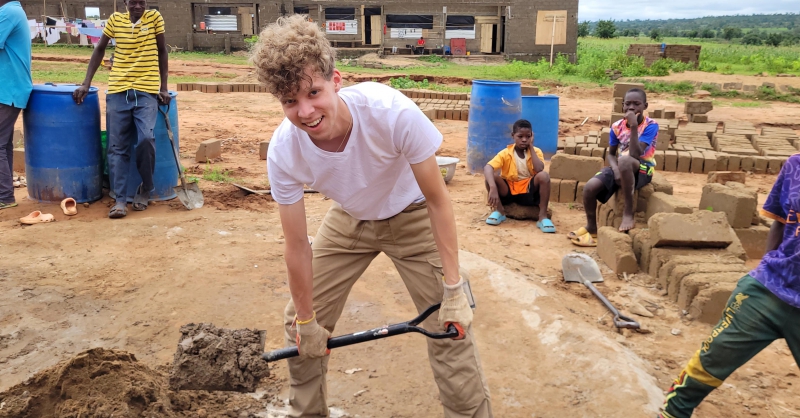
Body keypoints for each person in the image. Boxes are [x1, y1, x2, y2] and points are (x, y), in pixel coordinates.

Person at [251, 15, 492, 418]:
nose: (306, 111)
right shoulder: (285, 150)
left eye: (313, 92)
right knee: (299, 325)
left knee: (448, 326)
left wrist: (452, 287)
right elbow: (296, 244)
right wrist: (309, 320)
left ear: (337, 80)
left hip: (413, 214)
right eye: (290, 101)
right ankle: (307, 412)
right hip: (351, 217)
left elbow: (437, 201)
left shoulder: (390, 112)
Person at [660, 154, 800, 418]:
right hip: (767, 292)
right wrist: (765, 269)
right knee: (707, 365)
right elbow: (779, 222)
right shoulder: (795, 166)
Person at [73, 0, 170, 218]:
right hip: (118, 91)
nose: (138, 6)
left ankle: (146, 187)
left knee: (146, 139)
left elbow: (162, 51)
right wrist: (86, 83)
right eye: (133, 2)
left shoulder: (154, 18)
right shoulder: (115, 21)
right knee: (117, 147)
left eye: (142, 2)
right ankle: (119, 200)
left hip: (146, 92)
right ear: (125, 2)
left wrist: (163, 87)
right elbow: (99, 50)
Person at [569, 88, 658, 246]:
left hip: (643, 168)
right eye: (628, 104)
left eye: (636, 104)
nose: (631, 108)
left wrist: (634, 126)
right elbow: (610, 154)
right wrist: (616, 171)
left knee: (624, 160)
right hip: (622, 166)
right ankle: (592, 227)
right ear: (622, 106)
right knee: (589, 187)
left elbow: (636, 153)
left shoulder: (651, 125)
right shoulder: (617, 126)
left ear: (645, 106)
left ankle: (628, 213)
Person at [483, 119, 554, 232]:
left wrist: (531, 147)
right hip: (509, 190)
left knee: (544, 176)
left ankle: (542, 217)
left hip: (528, 191)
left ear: (531, 136)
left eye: (528, 136)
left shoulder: (536, 151)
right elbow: (488, 167)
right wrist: (492, 187)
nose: (524, 139)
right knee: (490, 179)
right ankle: (500, 211)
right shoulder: (505, 153)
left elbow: (539, 169)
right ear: (513, 136)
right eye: (520, 136)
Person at [0, 0, 31, 210]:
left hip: (7, 89)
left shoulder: (8, 12)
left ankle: (4, 196)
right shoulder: (14, 10)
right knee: (5, 144)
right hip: (11, 88)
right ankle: (5, 194)